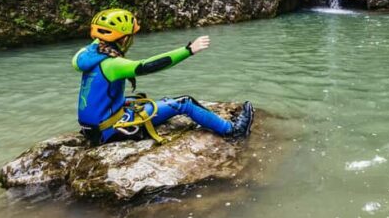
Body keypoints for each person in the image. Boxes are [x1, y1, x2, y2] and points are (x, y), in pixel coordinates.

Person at [73, 8, 254, 145]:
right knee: (185, 102)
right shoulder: (112, 64)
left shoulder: (87, 55)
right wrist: (188, 50)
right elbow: (148, 66)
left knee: (138, 99)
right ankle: (232, 131)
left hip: (92, 130)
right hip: (109, 131)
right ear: (123, 39)